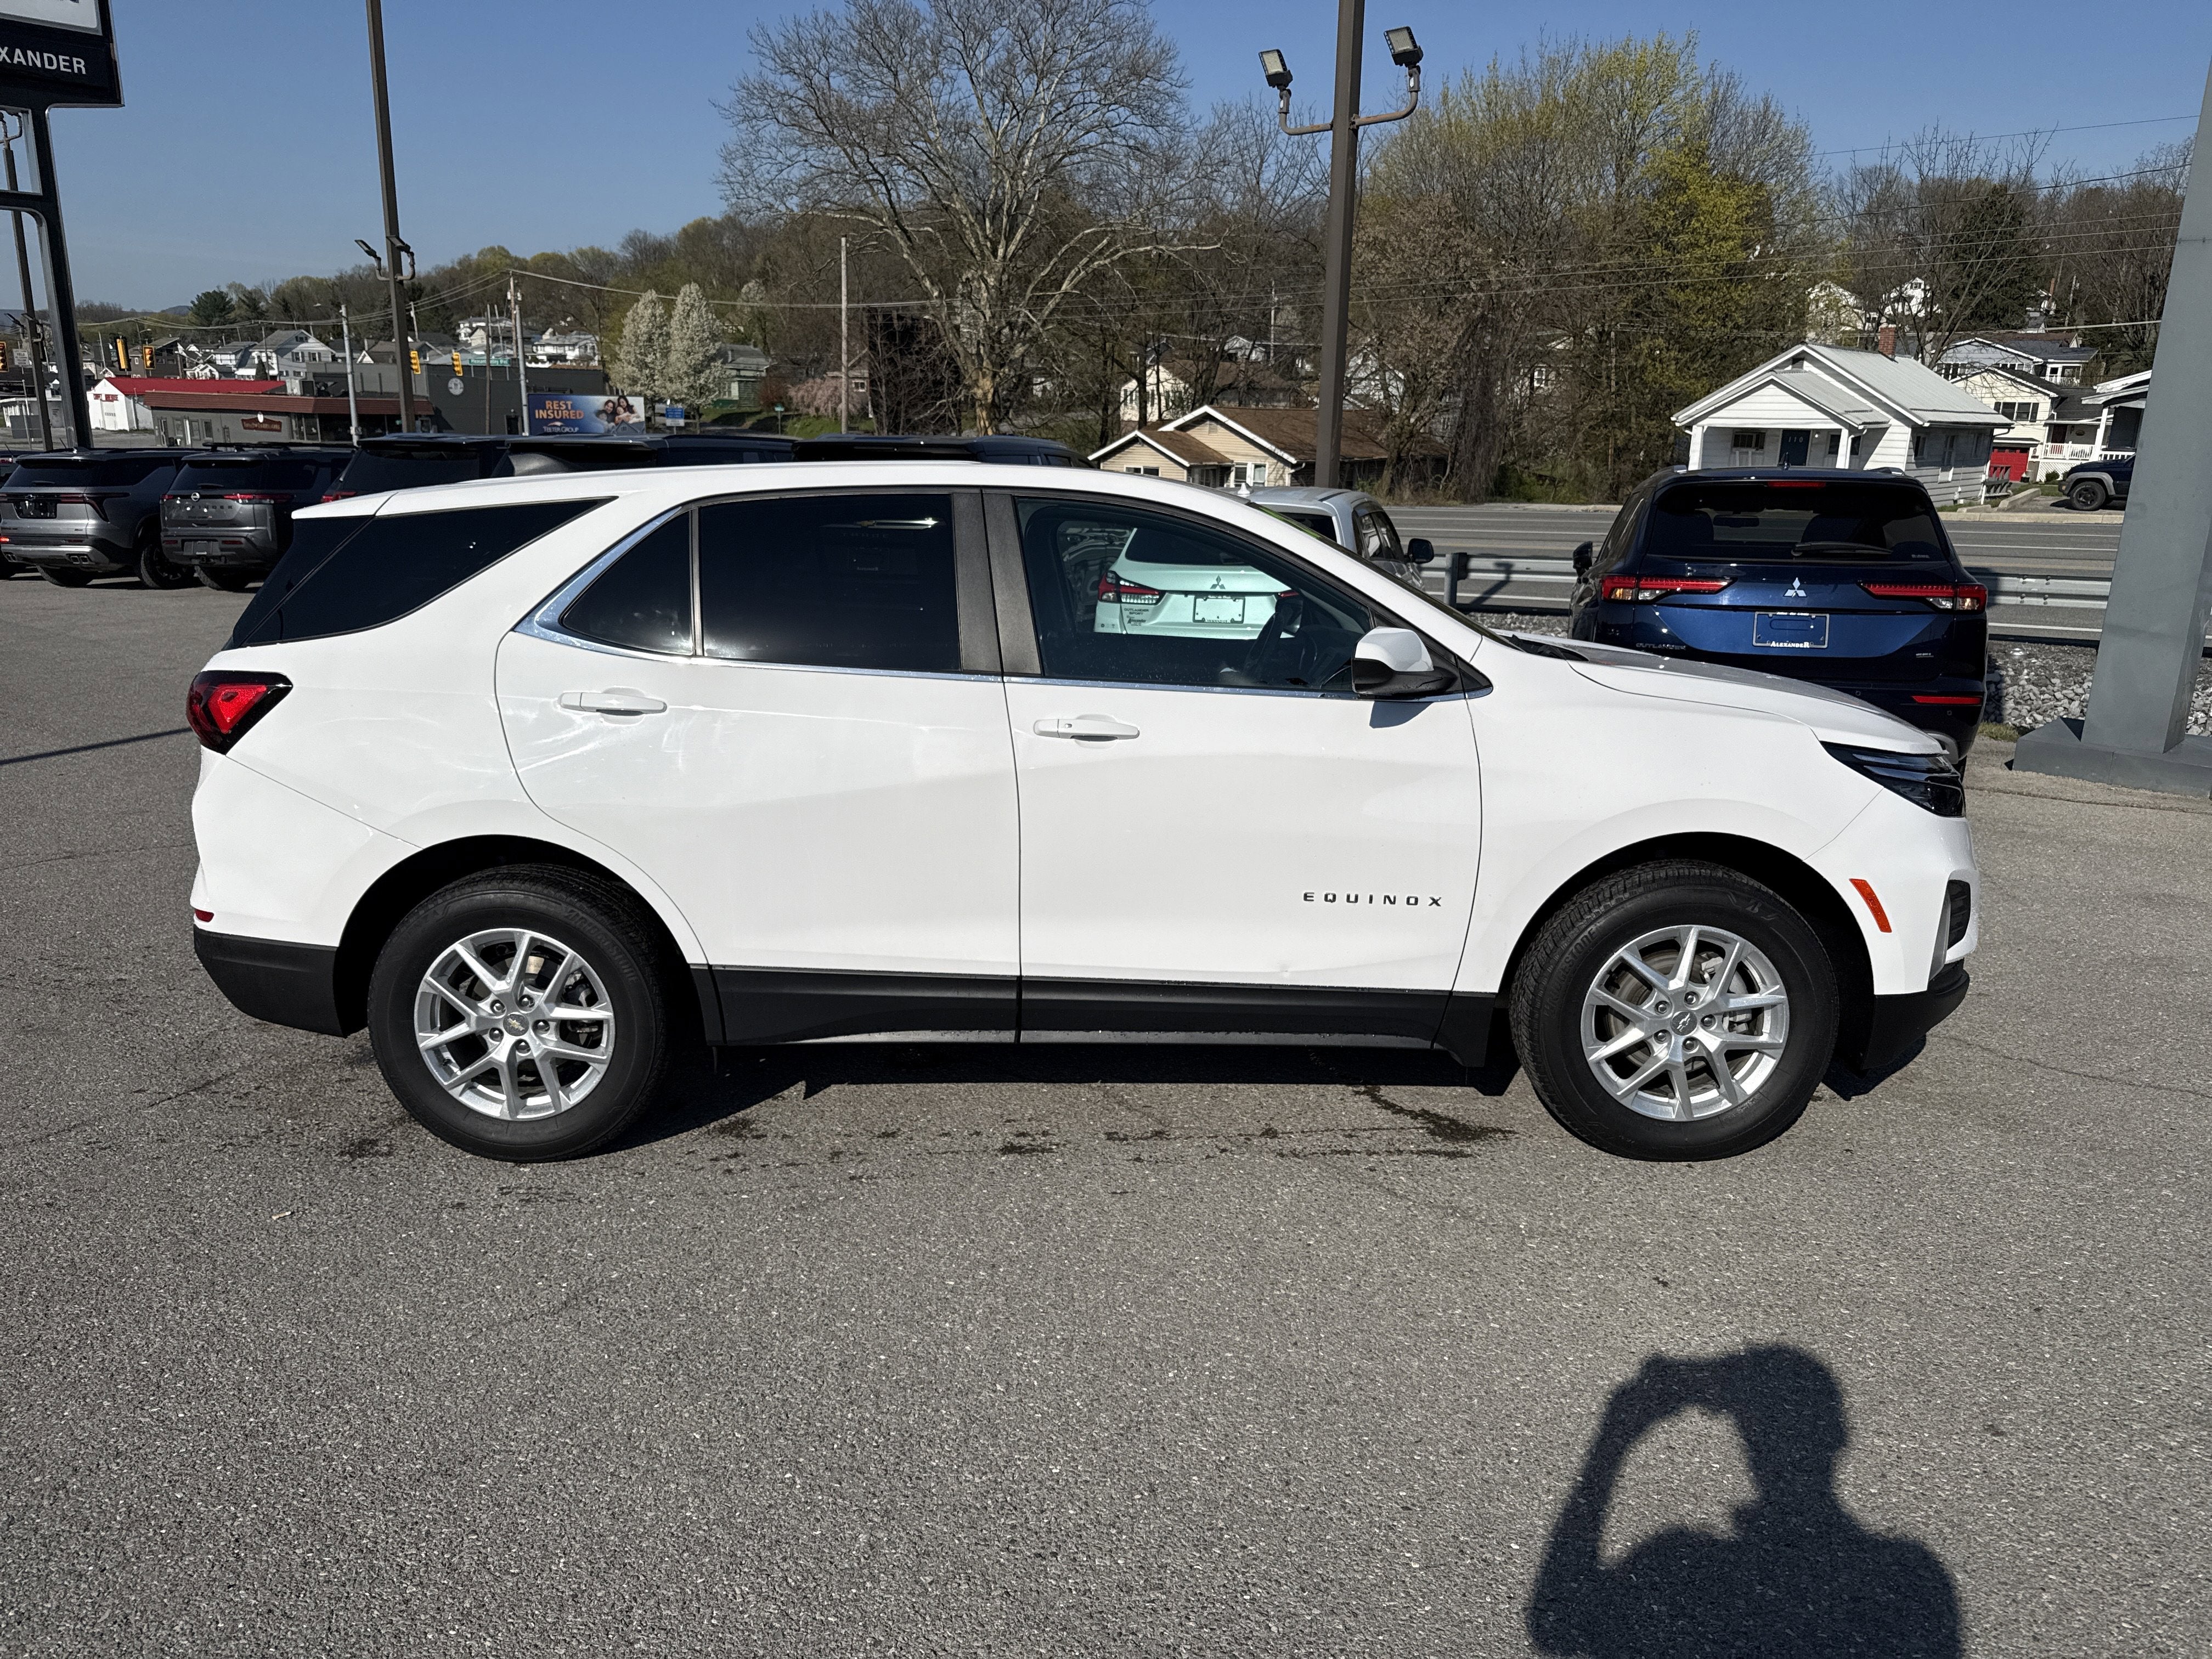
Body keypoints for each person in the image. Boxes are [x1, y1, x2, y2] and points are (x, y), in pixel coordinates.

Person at [1528, 1347, 1960, 1658]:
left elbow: (1558, 1620)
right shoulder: (1912, 1583)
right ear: (1838, 1437)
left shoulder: (1687, 1573)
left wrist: (1612, 1443)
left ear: (1747, 1443)